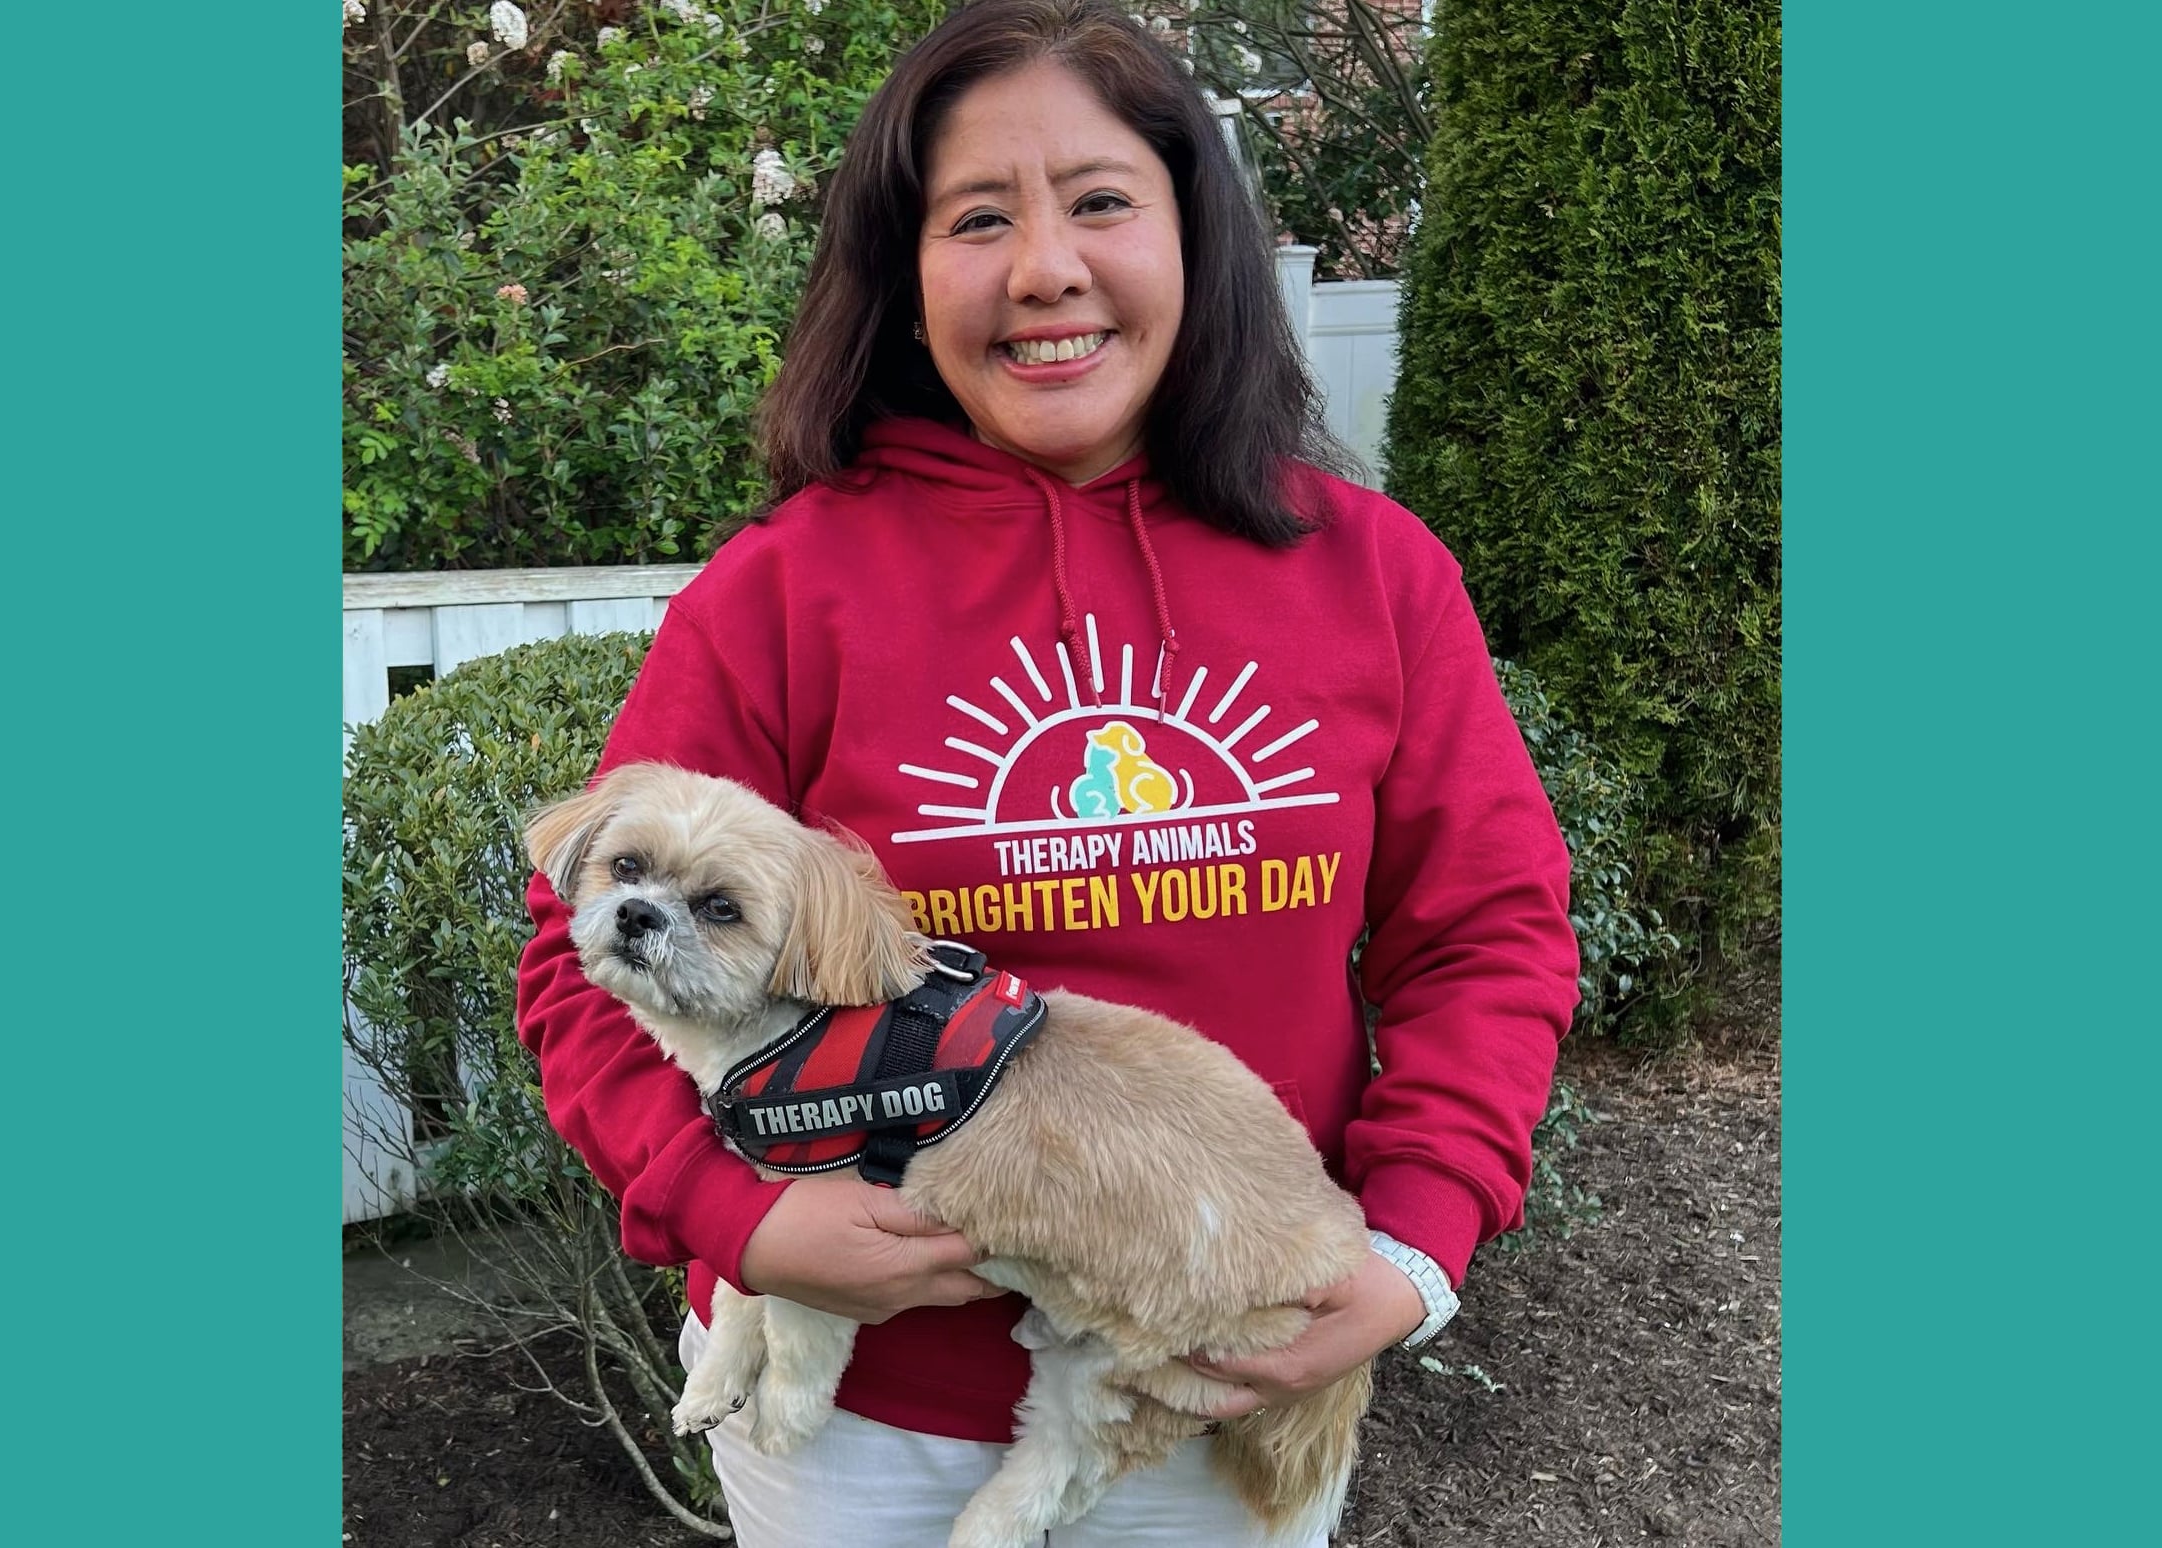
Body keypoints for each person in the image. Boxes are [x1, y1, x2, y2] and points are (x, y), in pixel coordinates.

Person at [514, 2, 1579, 1542]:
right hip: (860, 1422)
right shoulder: (778, 595)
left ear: (1192, 237)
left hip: (1221, 1371)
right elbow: (580, 960)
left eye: (1099, 202)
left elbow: (1483, 936)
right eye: (978, 219)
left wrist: (1411, 1250)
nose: (1045, 271)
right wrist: (741, 1214)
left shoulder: (1374, 577)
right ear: (908, 268)